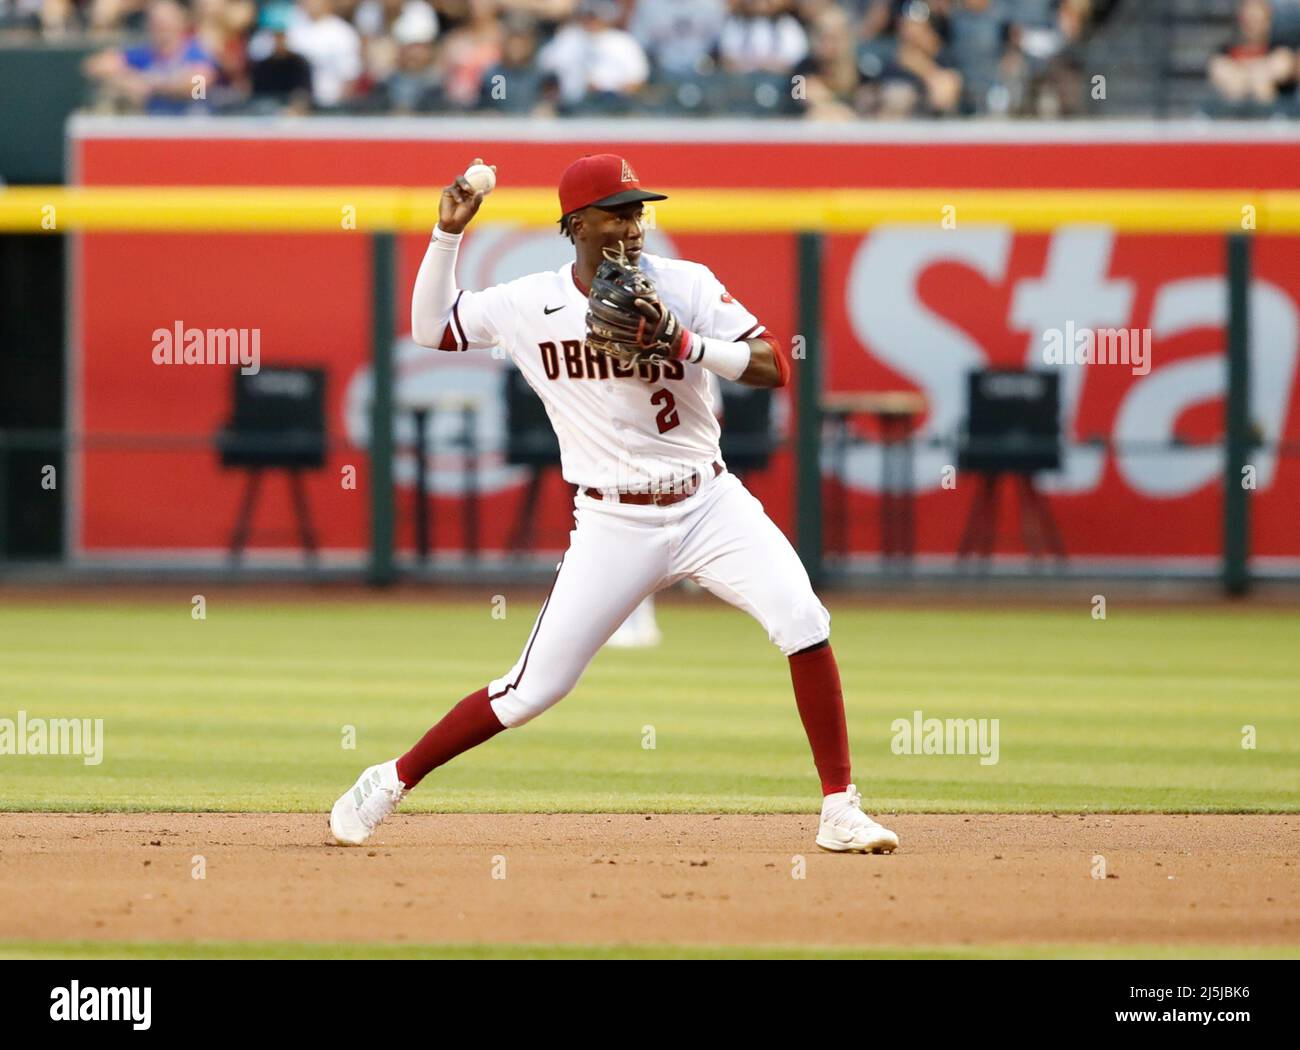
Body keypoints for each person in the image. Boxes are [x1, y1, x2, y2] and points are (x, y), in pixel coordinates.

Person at [329, 154, 900, 858]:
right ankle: (390, 778)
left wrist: (684, 343)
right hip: (612, 520)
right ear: (575, 224)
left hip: (708, 500)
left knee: (804, 619)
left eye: (639, 211)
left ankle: (839, 808)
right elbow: (431, 328)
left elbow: (775, 365)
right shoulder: (528, 303)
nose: (634, 226)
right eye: (618, 212)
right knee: (531, 691)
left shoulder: (684, 286)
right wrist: (447, 236)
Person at [82, 0, 216, 115]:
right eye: (157, 24)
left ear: (181, 23)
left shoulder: (195, 51)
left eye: (166, 24)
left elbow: (199, 86)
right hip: (152, 129)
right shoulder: (145, 53)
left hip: (191, 130)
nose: (162, 29)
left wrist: (151, 85)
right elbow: (95, 66)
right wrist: (127, 81)